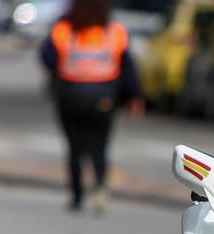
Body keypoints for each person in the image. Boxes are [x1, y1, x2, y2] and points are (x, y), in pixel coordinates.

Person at [40, 0, 144, 213]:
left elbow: (48, 57)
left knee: (74, 148)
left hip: (70, 95)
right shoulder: (114, 31)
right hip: (103, 97)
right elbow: (127, 67)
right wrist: (134, 97)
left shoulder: (64, 29)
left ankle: (77, 195)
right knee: (99, 147)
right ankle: (100, 190)